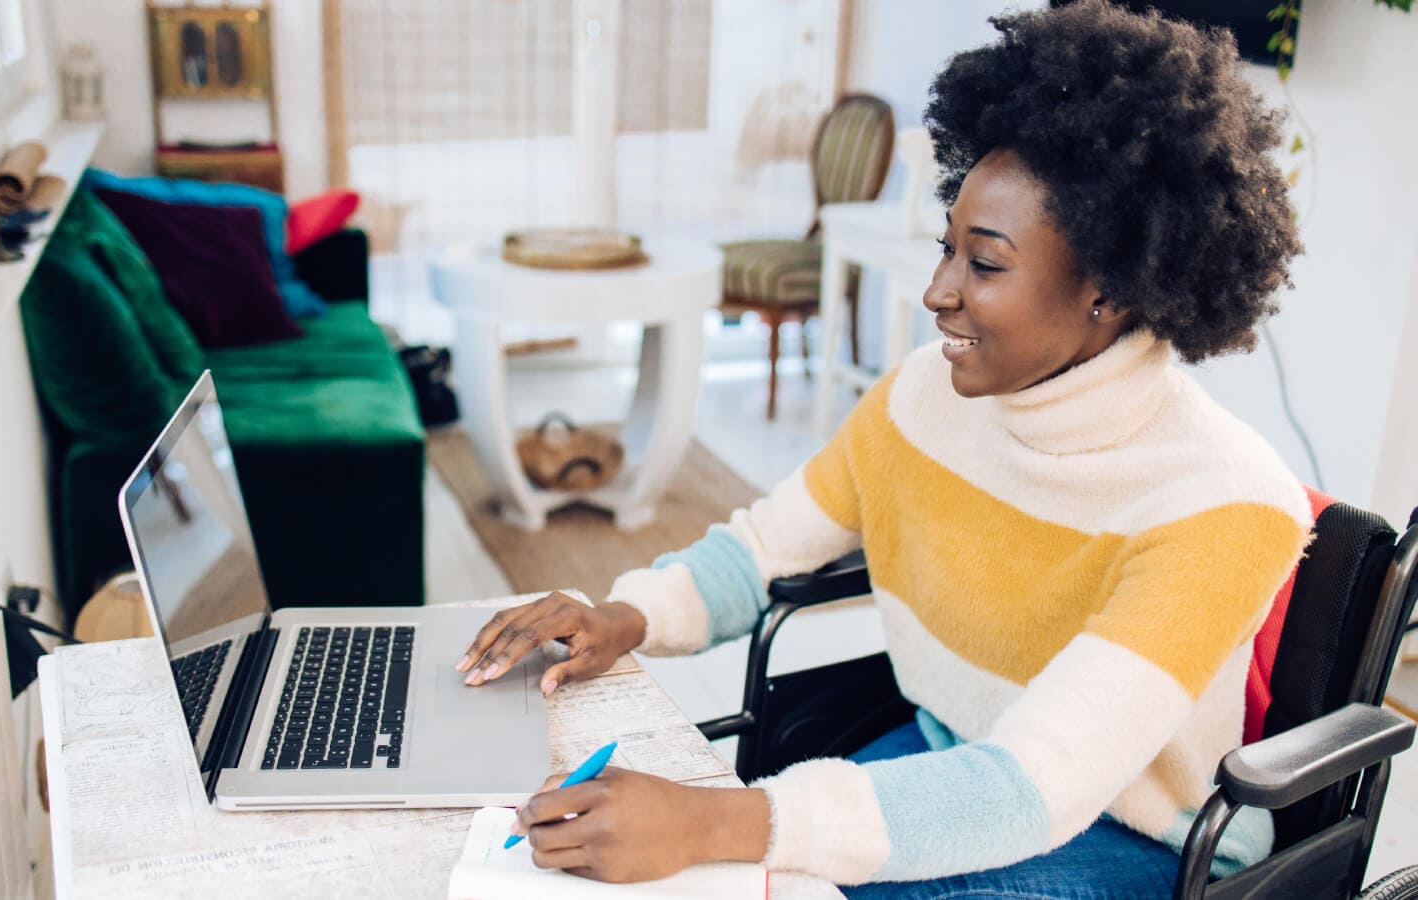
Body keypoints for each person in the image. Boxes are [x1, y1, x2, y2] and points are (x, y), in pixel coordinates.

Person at [453, 2, 1311, 896]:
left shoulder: (1222, 501)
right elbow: (759, 552)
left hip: (1126, 836)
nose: (937, 291)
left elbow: (1034, 788)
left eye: (983, 265)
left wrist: (711, 820)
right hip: (952, 752)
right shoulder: (919, 398)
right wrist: (619, 617)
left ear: (1108, 291)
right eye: (947, 250)